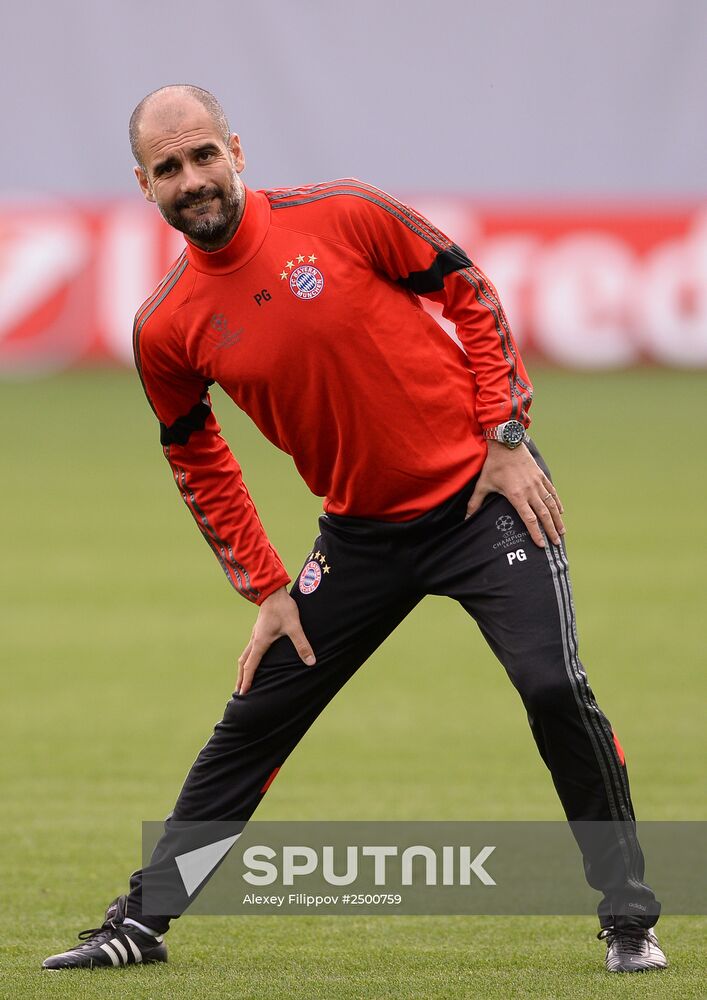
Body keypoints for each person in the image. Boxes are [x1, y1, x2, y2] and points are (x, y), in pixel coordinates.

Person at [43, 85, 667, 975]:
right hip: (360, 539)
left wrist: (506, 435)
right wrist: (264, 585)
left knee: (550, 686)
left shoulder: (343, 213)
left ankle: (628, 918)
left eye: (204, 155)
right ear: (144, 185)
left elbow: (471, 293)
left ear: (237, 150)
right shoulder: (165, 326)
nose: (194, 179)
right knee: (255, 718)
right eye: (169, 167)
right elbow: (197, 459)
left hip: (482, 502)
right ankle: (139, 924)